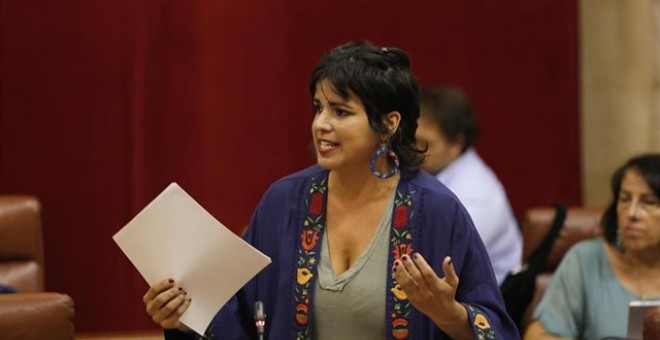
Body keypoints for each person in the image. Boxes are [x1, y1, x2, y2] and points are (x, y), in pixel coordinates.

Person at [143, 41, 518, 339]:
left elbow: (496, 328)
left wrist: (449, 316)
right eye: (318, 108)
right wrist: (183, 317)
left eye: (340, 112)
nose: (321, 124)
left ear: (388, 124)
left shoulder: (437, 210)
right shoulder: (284, 202)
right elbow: (237, 316)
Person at [524, 154, 660, 339]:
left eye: (649, 202)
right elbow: (539, 335)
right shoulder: (585, 260)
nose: (632, 213)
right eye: (625, 199)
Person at [415, 86, 522, 285]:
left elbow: (440, 267)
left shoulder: (476, 196)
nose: (414, 150)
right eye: (411, 140)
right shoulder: (432, 175)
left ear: (456, 143)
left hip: (482, 306)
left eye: (425, 143)